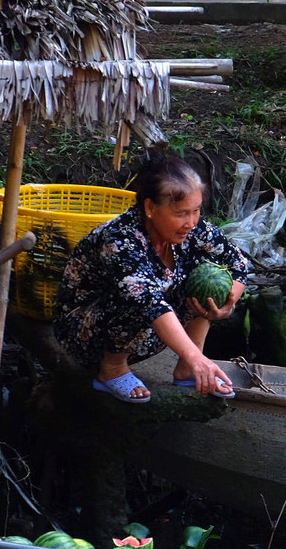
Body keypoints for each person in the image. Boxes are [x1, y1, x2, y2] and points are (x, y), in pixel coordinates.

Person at [52, 154, 249, 403]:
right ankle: (112, 368)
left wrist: (227, 302)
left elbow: (237, 263)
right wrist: (199, 360)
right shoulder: (120, 240)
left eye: (196, 211)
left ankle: (187, 369)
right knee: (134, 292)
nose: (190, 222)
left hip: (146, 332)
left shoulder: (194, 229)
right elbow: (148, 302)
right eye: (181, 213)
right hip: (87, 333)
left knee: (209, 277)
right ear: (149, 208)